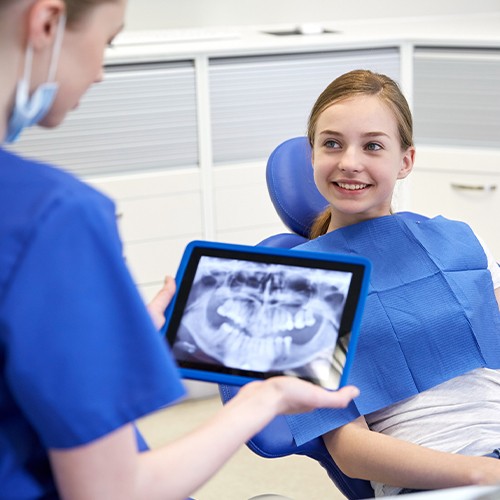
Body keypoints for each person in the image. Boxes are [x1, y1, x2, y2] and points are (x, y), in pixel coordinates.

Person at [0, 1, 360, 498]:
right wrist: (264, 398)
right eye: (105, 43)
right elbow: (110, 492)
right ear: (46, 23)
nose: (101, 72)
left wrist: (102, 344)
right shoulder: (54, 215)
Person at [283, 69, 500, 496]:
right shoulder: (297, 286)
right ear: (312, 155)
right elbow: (349, 448)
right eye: (332, 143)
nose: (349, 161)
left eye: (373, 146)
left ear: (405, 161)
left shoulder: (454, 241)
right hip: (438, 480)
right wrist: (484, 473)